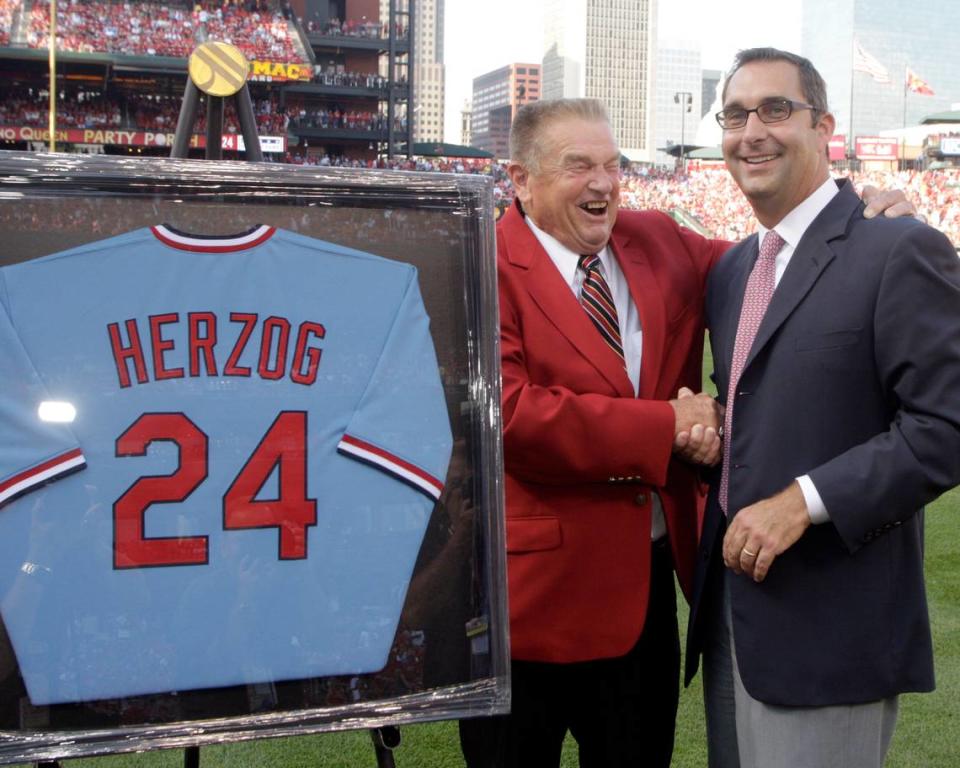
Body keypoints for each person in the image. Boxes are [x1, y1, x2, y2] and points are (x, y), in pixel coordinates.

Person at [460, 97, 912, 768]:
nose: (604, 184)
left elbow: (785, 269)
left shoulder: (657, 240)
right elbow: (512, 416)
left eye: (613, 165)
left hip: (645, 605)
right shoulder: (478, 265)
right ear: (521, 180)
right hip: (529, 607)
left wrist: (864, 222)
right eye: (578, 165)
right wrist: (667, 426)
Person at [684, 47, 960, 768]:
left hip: (834, 625)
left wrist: (802, 502)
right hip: (731, 618)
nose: (753, 131)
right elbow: (764, 395)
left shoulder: (898, 247)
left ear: (825, 126)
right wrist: (708, 426)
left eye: (777, 109)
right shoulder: (734, 268)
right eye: (737, 114)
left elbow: (945, 427)